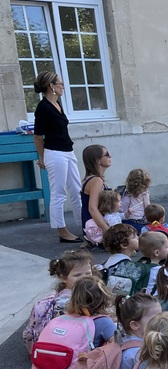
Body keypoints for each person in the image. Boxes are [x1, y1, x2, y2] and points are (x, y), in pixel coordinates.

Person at [32, 71, 82, 243]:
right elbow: (38, 137)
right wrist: (43, 158)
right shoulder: (43, 107)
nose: (63, 86)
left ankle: (85, 225)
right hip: (55, 153)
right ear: (51, 86)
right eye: (60, 83)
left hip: (68, 151)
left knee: (76, 190)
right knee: (58, 193)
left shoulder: (57, 104)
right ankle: (62, 231)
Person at [22, 249, 93, 353]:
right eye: (77, 275)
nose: (84, 278)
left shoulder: (71, 292)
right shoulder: (65, 301)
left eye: (88, 273)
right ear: (64, 278)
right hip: (62, 342)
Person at [80, 144, 113, 237]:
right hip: (96, 228)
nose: (110, 156)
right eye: (107, 154)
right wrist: (109, 232)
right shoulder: (96, 181)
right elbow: (93, 209)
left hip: (92, 225)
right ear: (98, 160)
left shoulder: (91, 178)